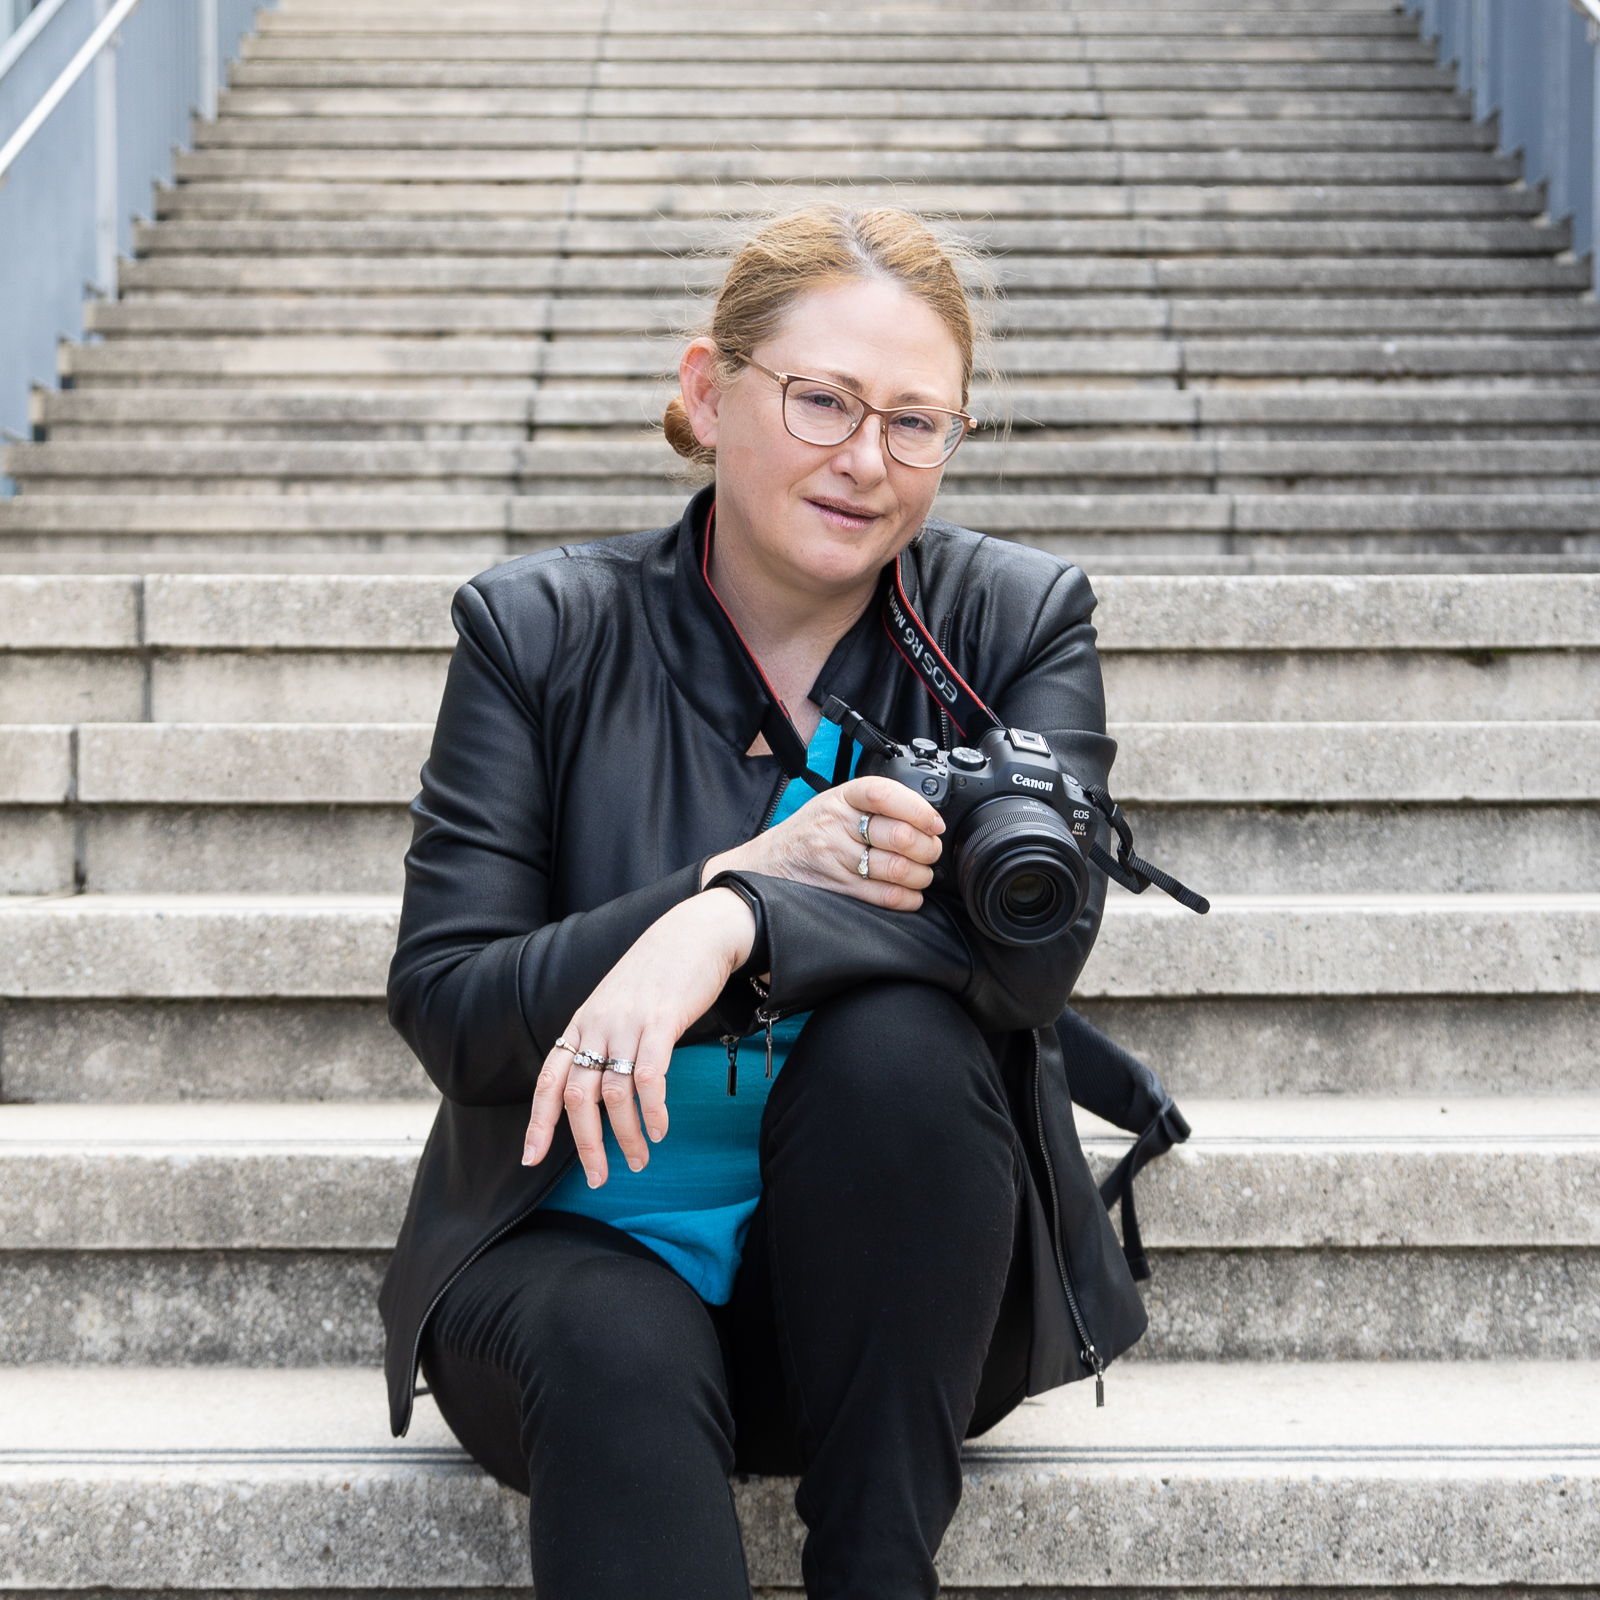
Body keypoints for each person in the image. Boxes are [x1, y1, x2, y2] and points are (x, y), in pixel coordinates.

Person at [379, 204, 1147, 1600]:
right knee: (615, 1346)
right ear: (704, 392)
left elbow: (1030, 953)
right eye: (822, 401)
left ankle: (876, 1571)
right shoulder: (535, 632)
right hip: (573, 1255)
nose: (867, 459)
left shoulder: (1017, 620)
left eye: (918, 422)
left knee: (905, 1050)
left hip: (902, 1310)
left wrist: (730, 928)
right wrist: (726, 877)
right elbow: (453, 1009)